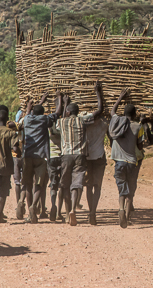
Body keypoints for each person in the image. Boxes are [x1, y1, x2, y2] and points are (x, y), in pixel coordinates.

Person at [55, 82, 104, 226]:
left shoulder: (61, 122)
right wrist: (97, 92)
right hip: (80, 156)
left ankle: (67, 210)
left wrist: (63, 102)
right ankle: (73, 211)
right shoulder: (83, 120)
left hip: (66, 156)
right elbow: (99, 110)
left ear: (68, 112)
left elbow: (61, 116)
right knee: (76, 184)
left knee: (64, 185)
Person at [21, 91, 63, 224]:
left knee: (28, 185)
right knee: (39, 184)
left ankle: (30, 212)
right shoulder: (45, 120)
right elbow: (57, 113)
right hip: (41, 157)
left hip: (27, 156)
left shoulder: (27, 119)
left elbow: (29, 113)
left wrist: (36, 104)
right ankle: (34, 205)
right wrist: (60, 98)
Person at [109, 88, 144, 228]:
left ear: (123, 114)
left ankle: (121, 209)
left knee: (122, 189)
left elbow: (112, 112)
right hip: (132, 163)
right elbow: (140, 146)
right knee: (130, 190)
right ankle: (128, 218)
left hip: (119, 162)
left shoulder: (116, 122)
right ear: (135, 114)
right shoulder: (138, 126)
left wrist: (119, 98)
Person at [84, 110, 110, 226]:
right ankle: (93, 212)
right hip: (99, 158)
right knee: (97, 187)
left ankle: (91, 211)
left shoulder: (85, 124)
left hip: (87, 158)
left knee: (89, 186)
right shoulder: (104, 124)